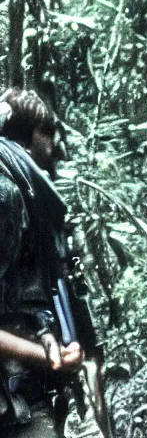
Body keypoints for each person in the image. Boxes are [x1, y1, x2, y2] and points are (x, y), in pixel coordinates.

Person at [0, 88, 83, 437]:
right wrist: (45, 355)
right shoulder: (8, 194)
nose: (55, 149)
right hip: (15, 401)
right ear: (32, 137)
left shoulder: (25, 193)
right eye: (48, 134)